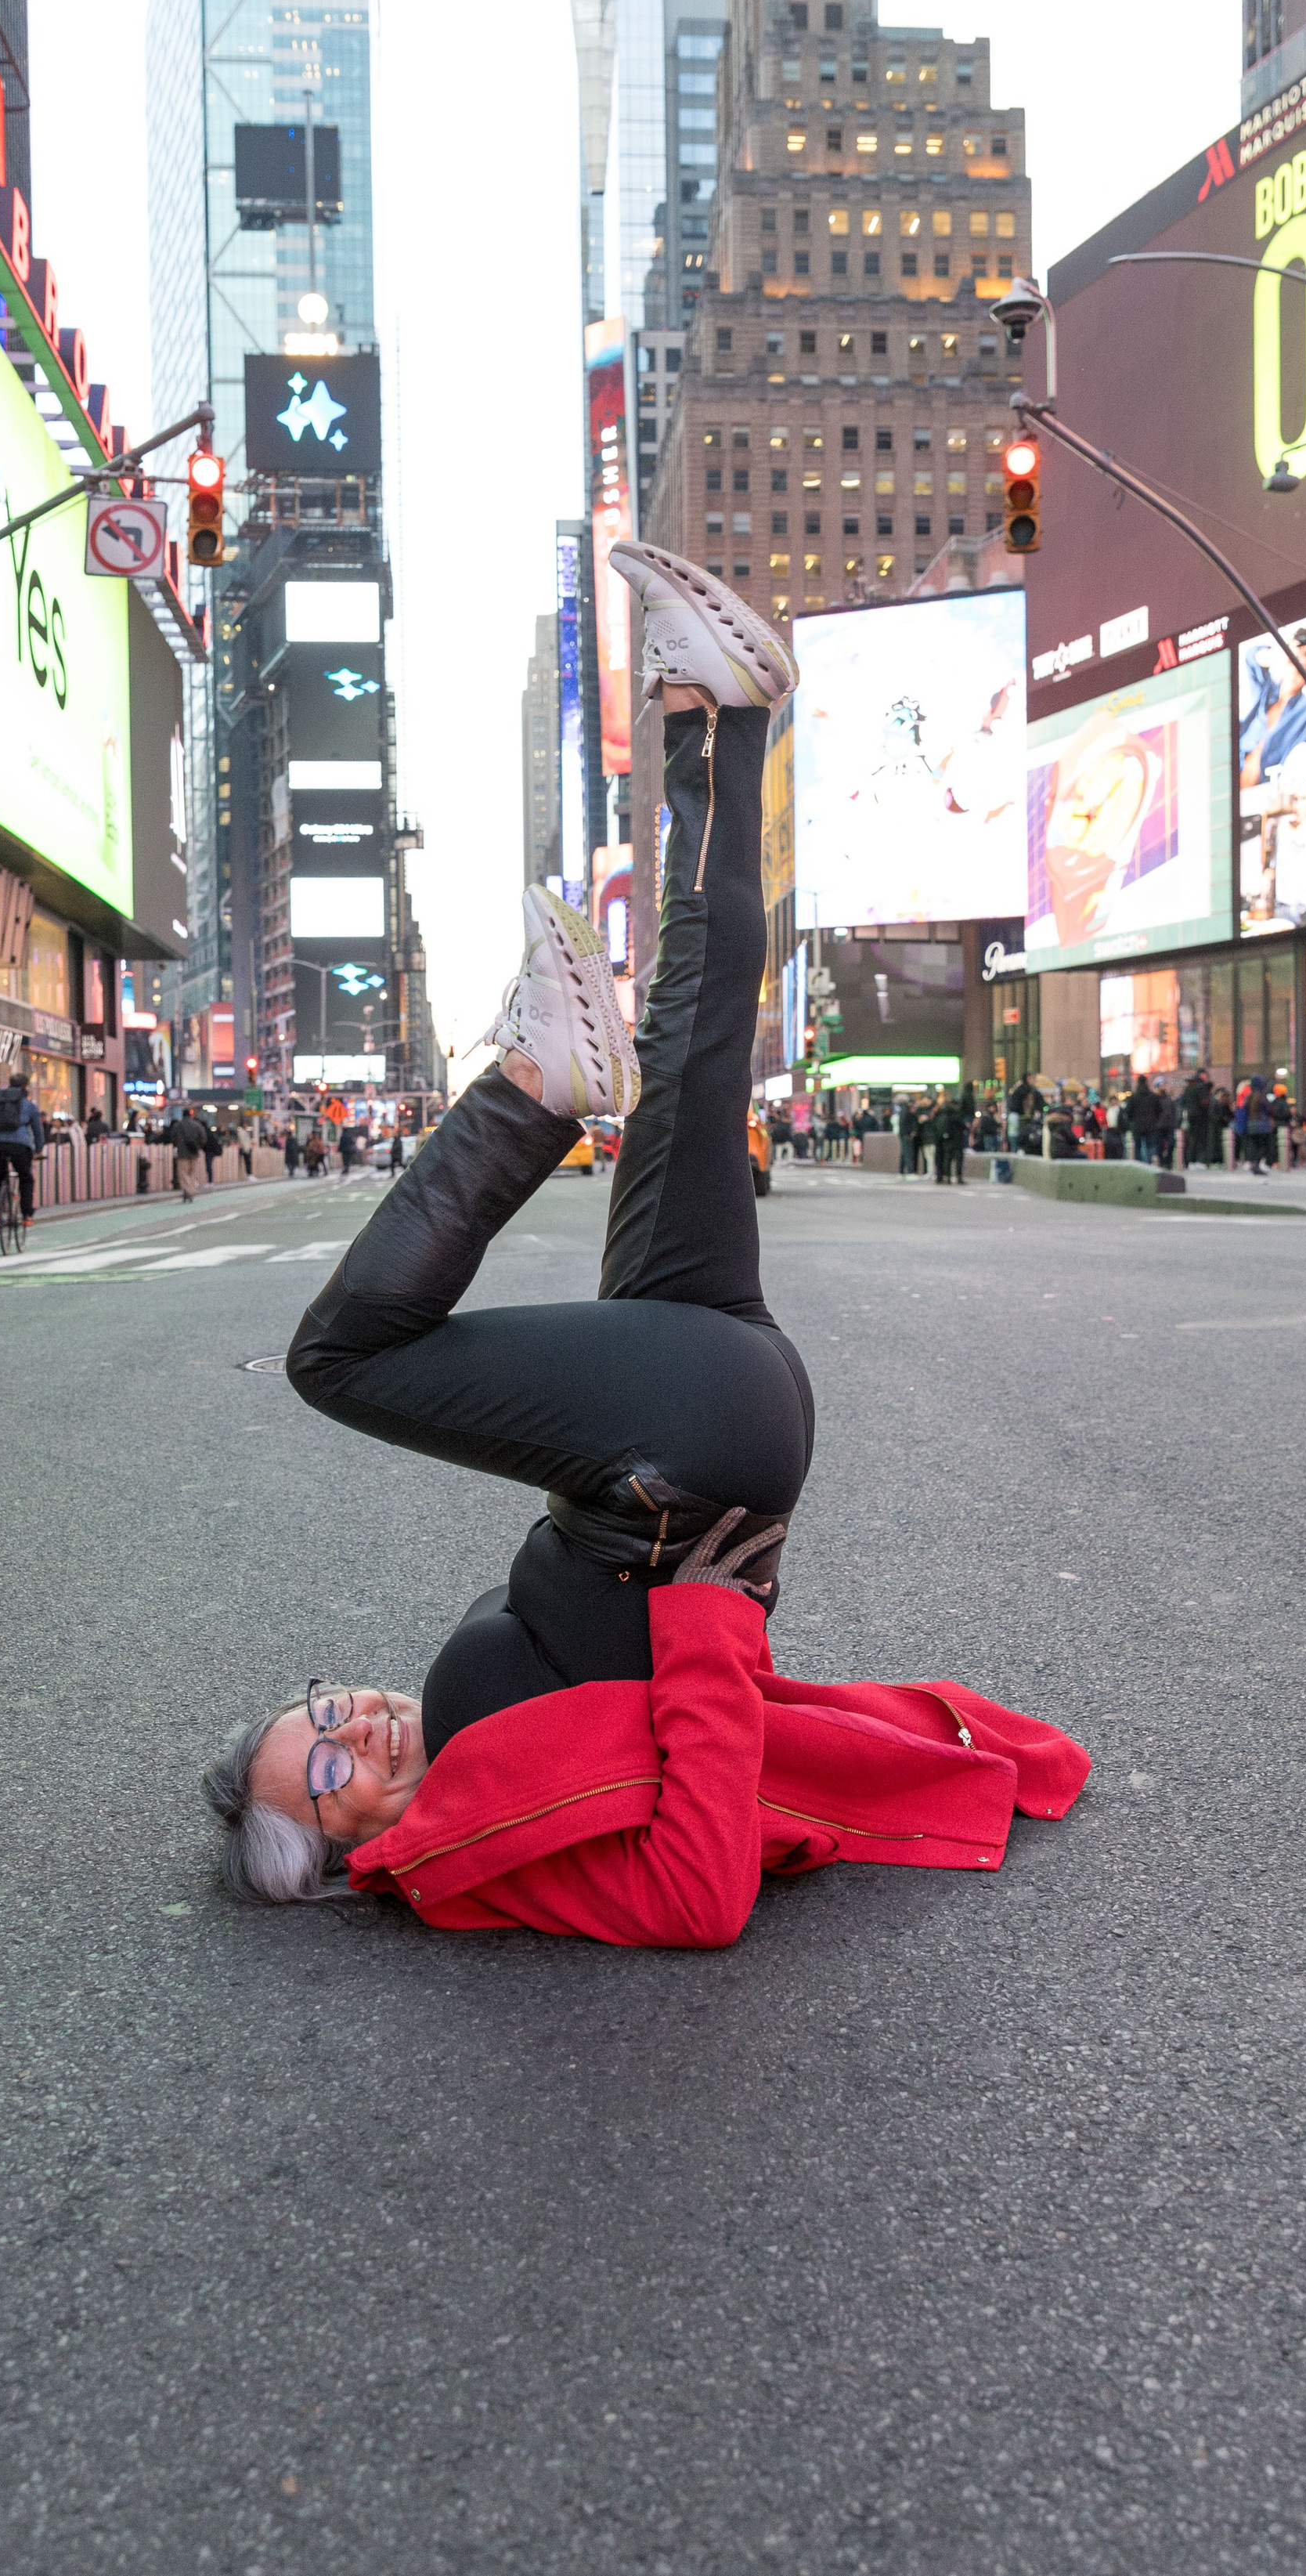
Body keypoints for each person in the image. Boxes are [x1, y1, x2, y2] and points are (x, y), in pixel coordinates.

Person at [201, 541, 1088, 1942]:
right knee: (334, 1359)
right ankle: (533, 1089)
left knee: (694, 1063)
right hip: (690, 1457)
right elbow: (694, 1898)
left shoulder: (451, 1757)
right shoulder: (443, 1855)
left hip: (702, 1418)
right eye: (324, 1767)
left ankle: (719, 720)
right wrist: (712, 1632)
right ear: (333, 1857)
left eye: (317, 1709)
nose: (351, 1721)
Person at [0, 1068, 45, 1229]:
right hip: (19, 1145)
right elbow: (38, 1130)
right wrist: (39, 1150)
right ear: (25, 1087)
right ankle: (26, 1215)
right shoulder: (29, 1105)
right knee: (26, 1178)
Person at [166, 1102, 207, 1201]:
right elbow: (203, 1138)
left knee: (183, 1174)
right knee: (192, 1173)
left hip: (182, 1153)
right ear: (191, 1115)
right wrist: (198, 1147)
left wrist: (178, 1145)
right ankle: (190, 1191)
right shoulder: (197, 1125)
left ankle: (189, 1191)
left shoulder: (178, 1125)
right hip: (194, 1152)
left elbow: (173, 1138)